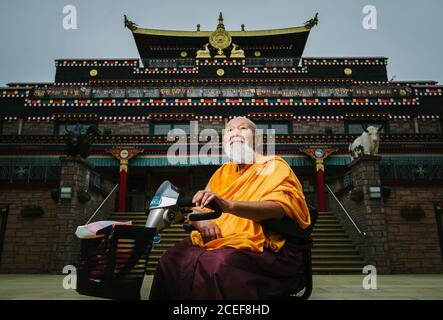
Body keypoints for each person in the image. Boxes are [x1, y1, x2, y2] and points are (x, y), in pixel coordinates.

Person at [149, 117, 311, 299]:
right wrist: (203, 223)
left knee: (217, 266)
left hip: (258, 245)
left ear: (257, 139)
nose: (235, 133)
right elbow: (198, 209)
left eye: (242, 129)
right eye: (229, 131)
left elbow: (279, 207)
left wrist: (229, 205)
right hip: (216, 240)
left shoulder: (273, 166)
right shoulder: (222, 172)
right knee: (169, 261)